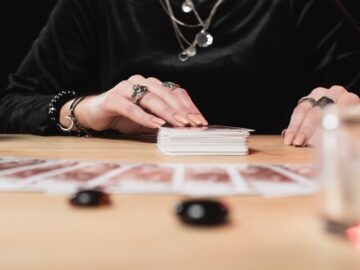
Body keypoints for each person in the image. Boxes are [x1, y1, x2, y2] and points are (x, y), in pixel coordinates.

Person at [0, 0, 359, 147]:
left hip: (276, 200)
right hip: (127, 195)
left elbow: (351, 103)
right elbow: (12, 104)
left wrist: (346, 110)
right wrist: (86, 110)